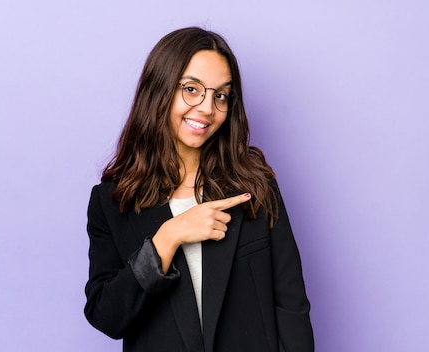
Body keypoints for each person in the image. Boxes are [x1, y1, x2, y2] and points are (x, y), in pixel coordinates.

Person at [84, 27, 314, 352]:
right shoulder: (111, 201)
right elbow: (107, 316)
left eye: (221, 95)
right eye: (192, 89)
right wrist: (169, 237)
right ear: (159, 90)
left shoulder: (255, 187)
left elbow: (291, 308)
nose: (208, 108)